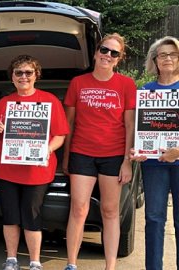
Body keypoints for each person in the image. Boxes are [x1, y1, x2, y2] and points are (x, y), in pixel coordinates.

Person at [62, 33, 136, 270]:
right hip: (82, 154)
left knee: (110, 210)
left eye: (114, 53)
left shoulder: (126, 85)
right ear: (95, 53)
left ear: (119, 59)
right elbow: (69, 124)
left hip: (113, 156)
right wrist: (66, 157)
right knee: (79, 208)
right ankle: (71, 264)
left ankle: (110, 266)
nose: (108, 55)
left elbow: (130, 125)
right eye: (104, 50)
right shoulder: (78, 83)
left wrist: (127, 162)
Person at [0, 55, 69, 270]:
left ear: (36, 75)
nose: (23, 76)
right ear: (12, 78)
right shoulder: (4, 103)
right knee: (10, 215)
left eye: (28, 72)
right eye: (18, 73)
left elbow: (60, 135)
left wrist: (46, 150)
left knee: (32, 214)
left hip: (37, 171)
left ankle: (34, 261)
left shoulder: (50, 101)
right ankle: (12, 259)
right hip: (7, 170)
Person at [130, 36, 179, 270]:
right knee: (154, 219)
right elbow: (141, 129)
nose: (168, 58)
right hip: (153, 165)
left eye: (173, 54)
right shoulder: (146, 91)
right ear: (155, 60)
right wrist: (138, 150)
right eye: (163, 55)